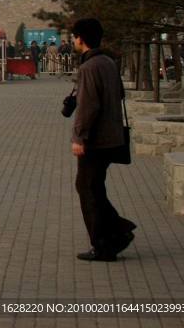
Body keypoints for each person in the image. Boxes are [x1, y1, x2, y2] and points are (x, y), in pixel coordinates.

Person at [70, 18, 136, 262]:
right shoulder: (108, 61)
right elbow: (118, 93)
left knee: (87, 188)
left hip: (95, 140)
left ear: (81, 38)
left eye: (74, 36)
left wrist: (79, 137)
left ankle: (105, 243)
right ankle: (117, 233)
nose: (73, 40)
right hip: (113, 136)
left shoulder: (89, 67)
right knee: (93, 187)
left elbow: (88, 107)